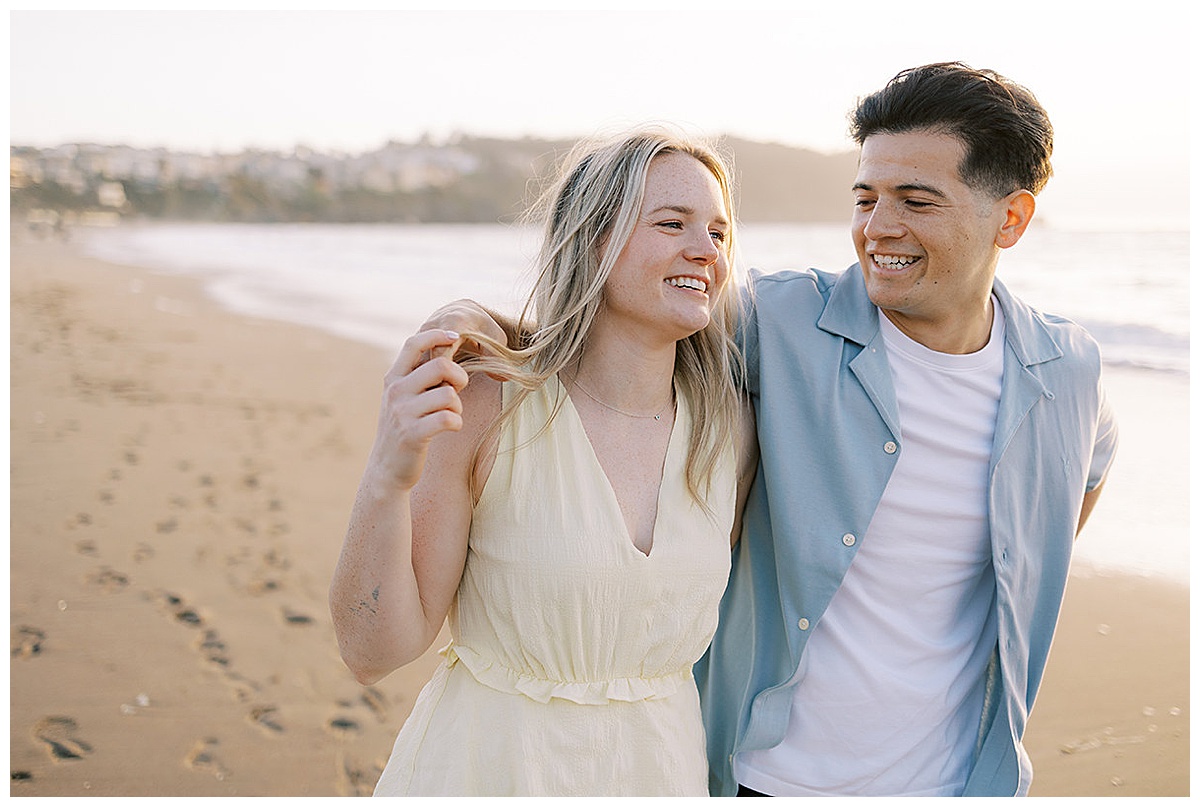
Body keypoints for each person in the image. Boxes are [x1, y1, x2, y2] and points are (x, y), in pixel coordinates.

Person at [423, 63, 1118, 797]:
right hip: (763, 774)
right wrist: (490, 325)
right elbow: (625, 331)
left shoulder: (1068, 371)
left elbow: (1082, 477)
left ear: (1010, 218)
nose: (878, 228)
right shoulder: (777, 322)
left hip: (958, 783)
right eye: (865, 197)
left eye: (916, 201)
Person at [328, 128, 758, 796]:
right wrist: (388, 474)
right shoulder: (489, 406)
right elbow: (373, 650)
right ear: (592, 240)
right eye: (673, 223)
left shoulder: (726, 433)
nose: (704, 250)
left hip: (660, 774)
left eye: (719, 233)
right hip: (488, 771)